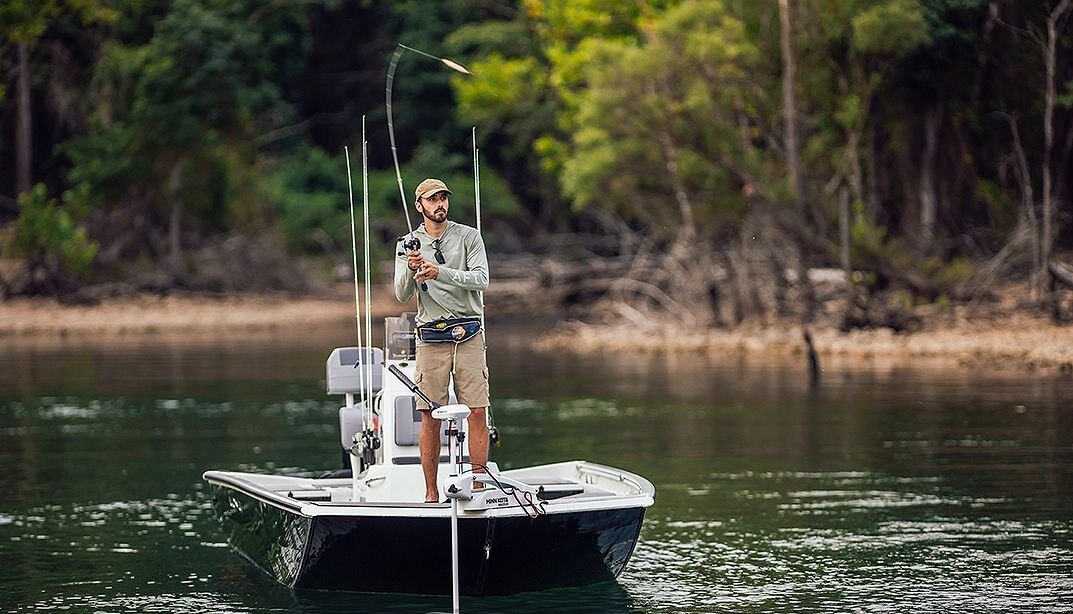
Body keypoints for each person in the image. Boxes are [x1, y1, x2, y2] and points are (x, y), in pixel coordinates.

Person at [394, 177, 490, 503]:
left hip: (469, 333)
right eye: (433, 200)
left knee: (477, 411)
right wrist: (411, 268)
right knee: (431, 415)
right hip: (430, 336)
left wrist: (439, 272)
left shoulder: (468, 236)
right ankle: (431, 493)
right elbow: (400, 294)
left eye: (443, 198)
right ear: (419, 206)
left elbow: (481, 280)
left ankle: (478, 485)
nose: (440, 205)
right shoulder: (407, 243)